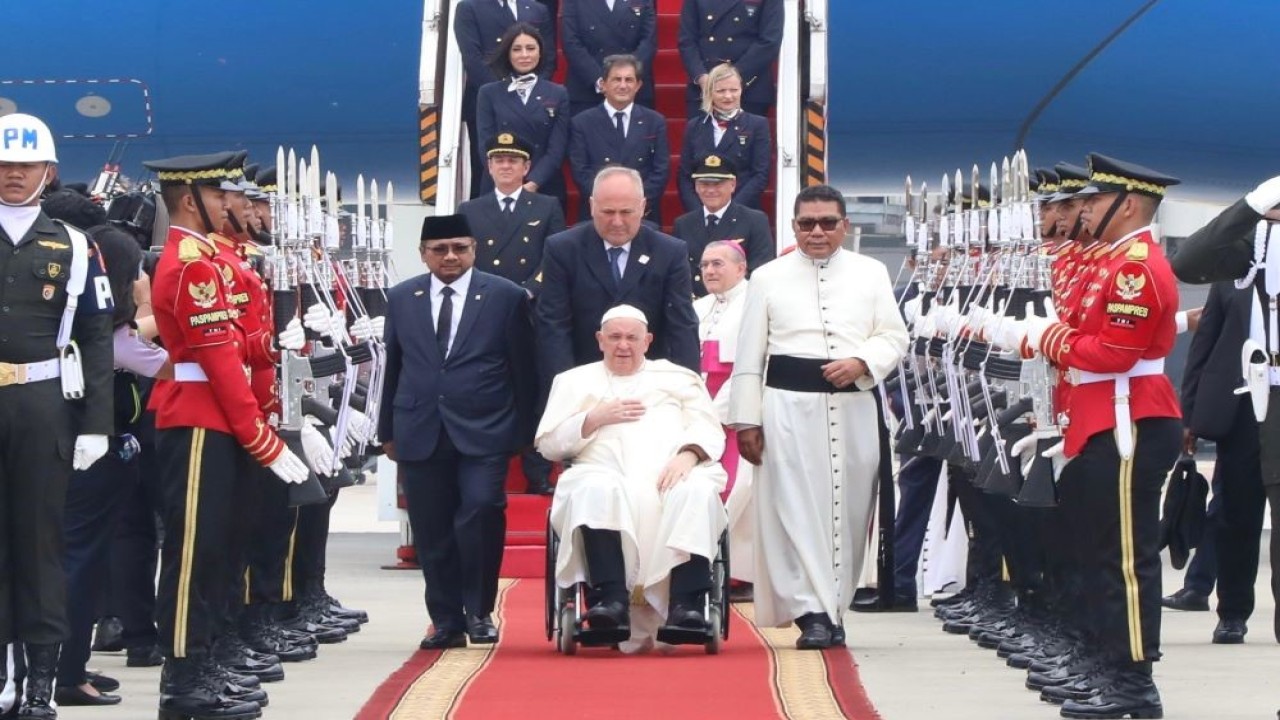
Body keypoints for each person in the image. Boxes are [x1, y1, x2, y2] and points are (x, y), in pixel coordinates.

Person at [993, 153, 1183, 719]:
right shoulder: (1114, 260)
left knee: (1123, 557)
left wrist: (1044, 337)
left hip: (1129, 418)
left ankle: (1133, 679)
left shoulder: (1136, 267)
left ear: (1128, 205)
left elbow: (1113, 353)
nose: (1083, 210)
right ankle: (1105, 663)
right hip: (1099, 416)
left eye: (1096, 201)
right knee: (1094, 551)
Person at [145, 151, 309, 720]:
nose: (230, 205)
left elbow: (237, 346)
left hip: (218, 412)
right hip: (197, 416)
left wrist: (277, 345)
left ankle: (206, 656)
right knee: (195, 552)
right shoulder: (192, 263)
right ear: (190, 200)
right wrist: (259, 435)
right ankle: (183, 675)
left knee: (219, 548)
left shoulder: (209, 258)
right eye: (219, 196)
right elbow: (215, 359)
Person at [728, 184, 909, 649]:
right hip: (787, 409)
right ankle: (811, 612)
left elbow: (894, 336)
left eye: (828, 222)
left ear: (845, 225)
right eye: (807, 223)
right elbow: (749, 355)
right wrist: (746, 420)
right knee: (795, 511)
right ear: (793, 226)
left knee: (849, 512)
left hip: (853, 408)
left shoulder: (871, 274)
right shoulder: (767, 278)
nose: (817, 232)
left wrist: (863, 362)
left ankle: (835, 607)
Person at [0, 113, 116, 719]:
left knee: (42, 545)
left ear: (48, 172)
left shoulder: (74, 244)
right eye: (3, 166)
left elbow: (97, 338)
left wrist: (96, 422)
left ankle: (41, 684)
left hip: (42, 405)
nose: (13, 175)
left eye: (25, 166)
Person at [378, 214, 537, 650]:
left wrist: (527, 431)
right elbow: (393, 366)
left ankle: (479, 611)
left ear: (474, 248)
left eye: (459, 248)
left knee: (482, 511)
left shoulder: (505, 296)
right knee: (431, 528)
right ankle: (446, 620)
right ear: (423, 253)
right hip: (420, 429)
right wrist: (386, 429)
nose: (450, 257)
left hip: (485, 428)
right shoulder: (402, 297)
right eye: (440, 249)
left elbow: (525, 367)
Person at [536, 305, 728, 652]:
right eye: (614, 337)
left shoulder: (678, 378)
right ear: (600, 340)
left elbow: (709, 429)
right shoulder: (573, 381)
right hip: (601, 471)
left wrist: (688, 455)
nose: (623, 345)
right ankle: (609, 602)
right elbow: (549, 444)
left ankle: (686, 606)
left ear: (647, 340)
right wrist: (593, 418)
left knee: (696, 491)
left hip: (672, 472)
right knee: (597, 490)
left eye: (631, 338)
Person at [53, 224, 167, 708]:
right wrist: (149, 307)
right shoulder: (111, 334)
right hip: (96, 460)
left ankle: (68, 662)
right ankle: (66, 670)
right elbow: (160, 362)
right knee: (81, 565)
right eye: (138, 270)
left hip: (74, 455)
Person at [459, 133, 565, 495]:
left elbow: (554, 257)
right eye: (499, 160)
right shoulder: (470, 210)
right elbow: (463, 261)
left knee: (533, 389)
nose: (506, 166)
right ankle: (488, 466)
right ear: (488, 167)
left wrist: (529, 290)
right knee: (488, 390)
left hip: (531, 311)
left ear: (526, 167)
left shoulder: (546, 206)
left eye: (513, 160)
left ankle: (537, 472)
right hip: (485, 313)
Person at [536, 166, 700, 388]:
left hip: (649, 384)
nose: (617, 221)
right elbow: (554, 326)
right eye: (608, 212)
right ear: (592, 206)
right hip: (583, 379)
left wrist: (688, 389)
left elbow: (681, 327)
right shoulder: (563, 250)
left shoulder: (669, 252)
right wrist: (565, 389)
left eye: (626, 212)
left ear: (642, 207)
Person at [1175, 280, 1265, 643]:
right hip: (1242, 405)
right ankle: (1232, 612)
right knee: (1236, 513)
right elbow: (1204, 343)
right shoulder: (1235, 272)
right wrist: (1190, 415)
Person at [692, 242, 755, 596]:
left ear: (740, 268)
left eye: (717, 264)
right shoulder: (699, 306)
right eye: (704, 265)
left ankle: (740, 573)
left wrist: (718, 410)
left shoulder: (754, 303)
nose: (710, 271)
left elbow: (748, 364)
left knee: (738, 489)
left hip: (736, 410)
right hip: (702, 406)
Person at [454, 0, 555, 197]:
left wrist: (533, 91)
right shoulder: (470, 7)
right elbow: (472, 58)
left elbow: (548, 56)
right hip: (488, 103)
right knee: (487, 170)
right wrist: (506, 93)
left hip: (535, 104)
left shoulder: (537, 8)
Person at [476, 23, 569, 210]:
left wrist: (533, 183)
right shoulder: (488, 93)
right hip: (499, 186)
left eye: (531, 48)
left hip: (544, 186)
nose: (524, 55)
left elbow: (556, 149)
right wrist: (508, 182)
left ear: (540, 53)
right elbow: (485, 144)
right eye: (517, 49)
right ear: (508, 54)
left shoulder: (558, 93)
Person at [567, 54, 669, 224]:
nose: (623, 86)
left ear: (638, 85)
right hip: (599, 213)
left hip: (643, 213)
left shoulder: (655, 121)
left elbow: (661, 170)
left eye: (629, 80)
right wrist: (607, 203)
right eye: (616, 79)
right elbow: (580, 171)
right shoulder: (582, 123)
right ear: (603, 84)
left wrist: (636, 204)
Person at [671, 154, 774, 296]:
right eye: (705, 184)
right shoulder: (683, 224)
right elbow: (679, 271)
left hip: (738, 302)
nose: (711, 190)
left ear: (732, 184)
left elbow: (761, 269)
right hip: (696, 304)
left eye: (718, 184)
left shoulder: (755, 221)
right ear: (696, 186)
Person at [677, 64, 771, 213]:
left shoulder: (757, 125)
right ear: (710, 92)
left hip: (742, 212)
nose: (728, 96)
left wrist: (729, 210)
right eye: (721, 91)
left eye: (734, 90)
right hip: (700, 214)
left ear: (741, 90)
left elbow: (760, 175)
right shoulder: (694, 126)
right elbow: (685, 175)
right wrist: (700, 211)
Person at [677, 0, 783, 118]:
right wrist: (701, 76)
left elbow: (770, 41)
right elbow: (687, 41)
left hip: (749, 86)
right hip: (706, 86)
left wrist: (731, 78)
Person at [561, 0, 657, 117]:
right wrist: (600, 80)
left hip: (631, 89)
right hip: (588, 89)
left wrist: (628, 77)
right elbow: (571, 42)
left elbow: (649, 41)